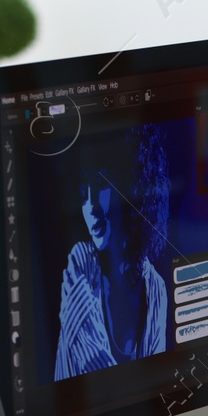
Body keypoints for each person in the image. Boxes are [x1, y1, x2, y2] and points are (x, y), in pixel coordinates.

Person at [55, 127, 170, 380]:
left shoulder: (156, 289)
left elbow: (157, 387)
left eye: (100, 185)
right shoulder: (80, 266)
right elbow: (100, 379)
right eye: (83, 192)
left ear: (133, 185)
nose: (91, 207)